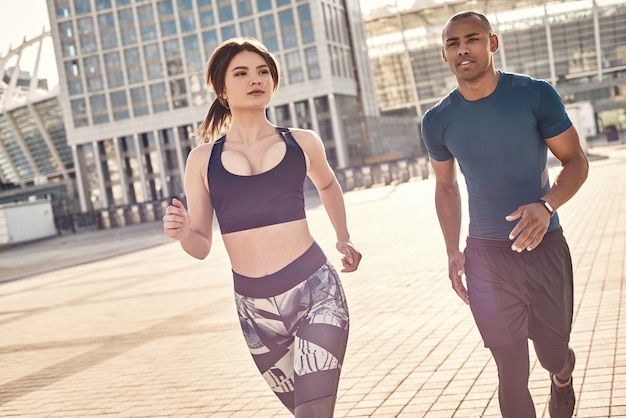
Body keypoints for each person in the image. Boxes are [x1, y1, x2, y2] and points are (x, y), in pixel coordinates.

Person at [162, 37, 361, 417]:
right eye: (241, 73)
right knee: (306, 410)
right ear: (222, 89)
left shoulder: (302, 142)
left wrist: (343, 236)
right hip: (254, 310)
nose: (256, 79)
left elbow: (329, 184)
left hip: (315, 292)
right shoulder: (202, 159)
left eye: (263, 72)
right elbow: (201, 246)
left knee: (313, 412)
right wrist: (184, 232)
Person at [421, 11, 588, 418]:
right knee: (510, 372)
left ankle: (562, 376)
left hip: (544, 247)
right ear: (444, 55)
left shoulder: (534, 95)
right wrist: (451, 251)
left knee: (552, 354)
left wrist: (546, 206)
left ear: (492, 43)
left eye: (472, 39)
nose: (463, 49)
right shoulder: (437, 120)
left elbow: (576, 161)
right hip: (486, 258)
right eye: (452, 43)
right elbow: (445, 187)